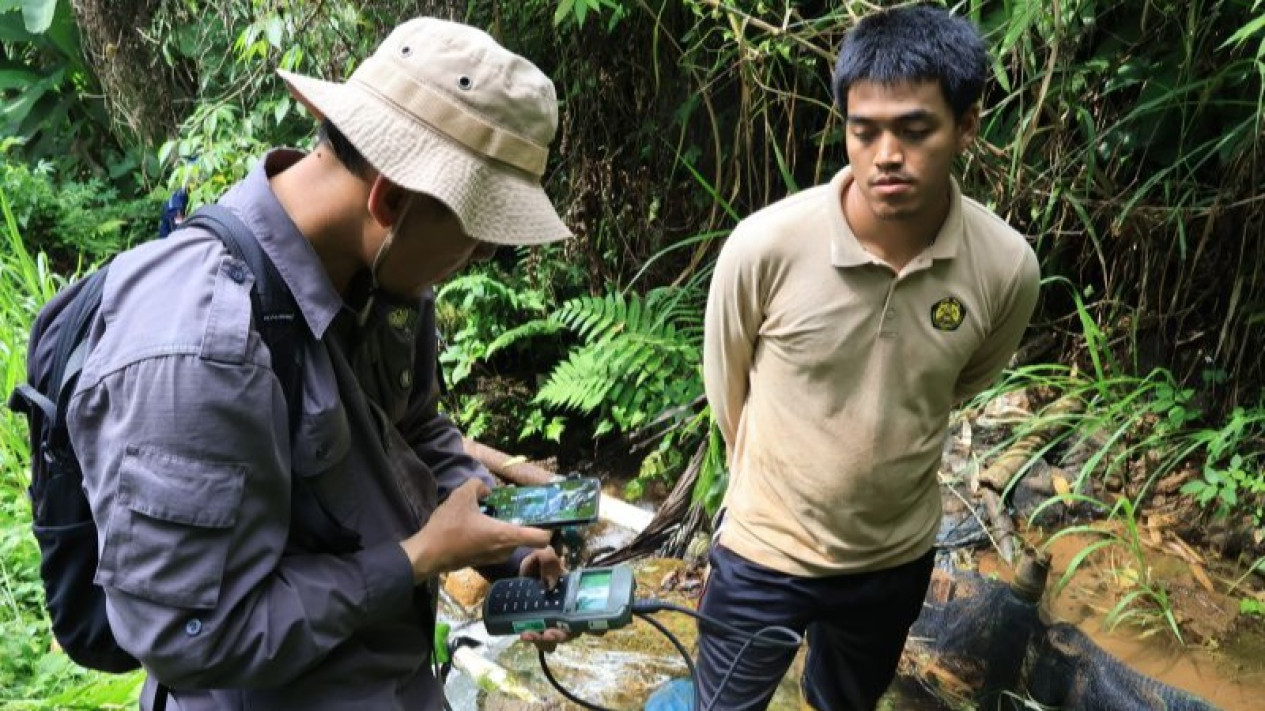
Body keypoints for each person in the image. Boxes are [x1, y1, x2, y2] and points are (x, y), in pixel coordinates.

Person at [68, 17, 574, 710]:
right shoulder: (196, 346)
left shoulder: (385, 274)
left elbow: (416, 430)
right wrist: (419, 556)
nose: (480, 262)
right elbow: (191, 637)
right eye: (476, 239)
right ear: (390, 200)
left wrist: (500, 543)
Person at [698, 5, 1041, 710]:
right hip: (764, 550)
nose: (887, 153)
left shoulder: (1004, 266)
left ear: (966, 126)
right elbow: (726, 386)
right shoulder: (766, 247)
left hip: (892, 559)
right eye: (865, 131)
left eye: (915, 130)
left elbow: (962, 379)